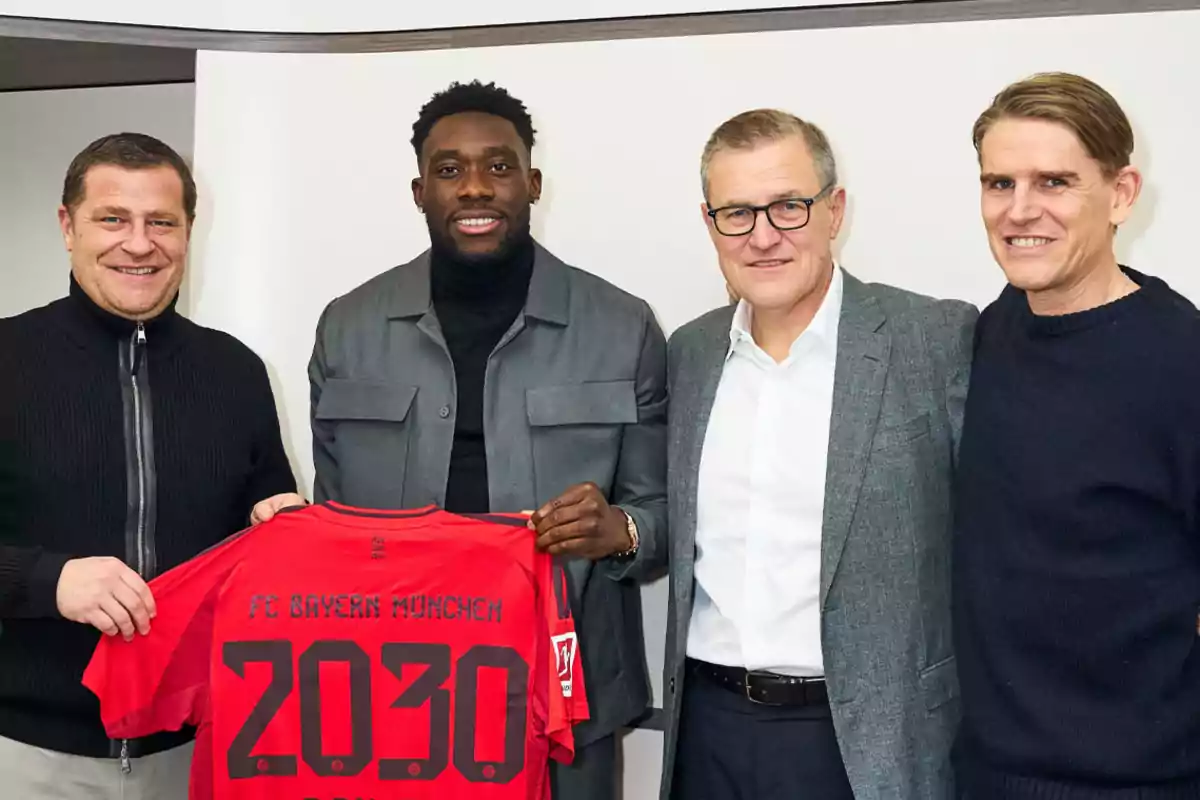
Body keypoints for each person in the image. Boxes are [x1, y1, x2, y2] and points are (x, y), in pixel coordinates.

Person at [307, 80, 668, 800]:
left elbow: (663, 513)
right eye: (449, 170)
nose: (476, 187)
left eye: (499, 167)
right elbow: (331, 527)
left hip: (571, 702)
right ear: (419, 191)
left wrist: (618, 531)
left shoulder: (622, 327)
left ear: (533, 182)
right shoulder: (347, 328)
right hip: (396, 698)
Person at [649, 109, 977, 800]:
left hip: (869, 740)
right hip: (708, 731)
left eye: (789, 207)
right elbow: (670, 525)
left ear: (835, 211)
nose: (763, 236)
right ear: (710, 225)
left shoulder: (933, 339)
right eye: (737, 213)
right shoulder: (691, 353)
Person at [0, 132, 304, 797]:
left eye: (161, 222)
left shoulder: (237, 373)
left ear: (188, 232)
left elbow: (267, 519)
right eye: (113, 218)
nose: (139, 244)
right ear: (67, 227)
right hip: (25, 755)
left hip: (194, 753)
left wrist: (289, 529)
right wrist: (47, 581)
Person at [952, 72, 1200, 797]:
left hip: (1141, 782)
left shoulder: (1181, 359)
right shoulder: (991, 330)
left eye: (1054, 182)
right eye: (999, 184)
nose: (1020, 210)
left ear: (1121, 193)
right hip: (985, 772)